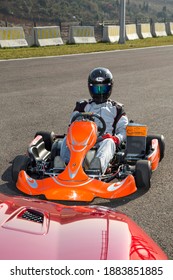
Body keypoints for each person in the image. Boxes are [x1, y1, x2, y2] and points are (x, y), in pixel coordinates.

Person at [60, 67, 128, 174]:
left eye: (103, 89)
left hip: (103, 141)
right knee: (66, 139)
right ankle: (63, 166)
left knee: (109, 143)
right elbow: (72, 126)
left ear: (109, 88)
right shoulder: (82, 106)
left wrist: (116, 138)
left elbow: (124, 130)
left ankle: (96, 168)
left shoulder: (116, 108)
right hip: (82, 142)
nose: (100, 92)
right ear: (90, 89)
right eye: (97, 89)